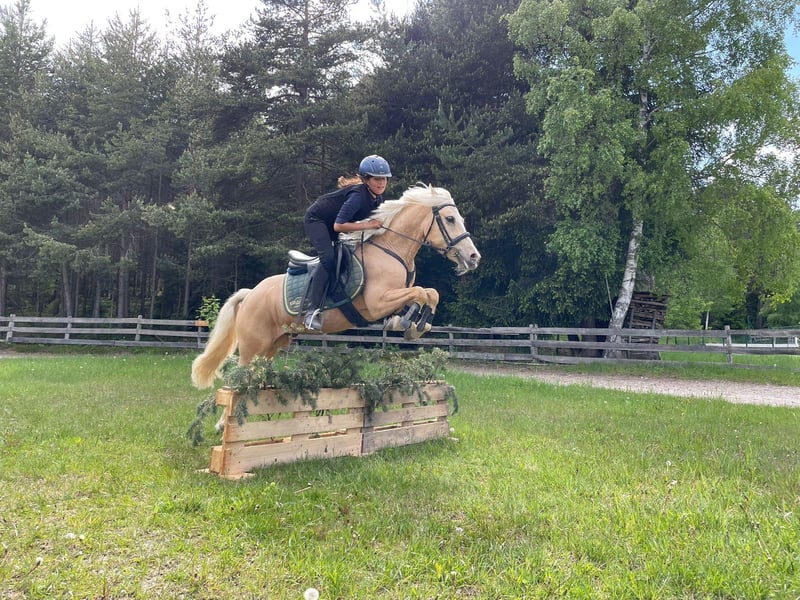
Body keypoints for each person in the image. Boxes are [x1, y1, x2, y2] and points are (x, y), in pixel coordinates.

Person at [302, 154, 392, 331]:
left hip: (333, 224)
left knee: (345, 258)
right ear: (366, 180)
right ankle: (311, 311)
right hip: (317, 220)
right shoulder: (357, 197)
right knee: (328, 259)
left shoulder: (377, 199)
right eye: (377, 179)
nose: (381, 183)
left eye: (384, 179)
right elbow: (338, 226)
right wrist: (369, 225)